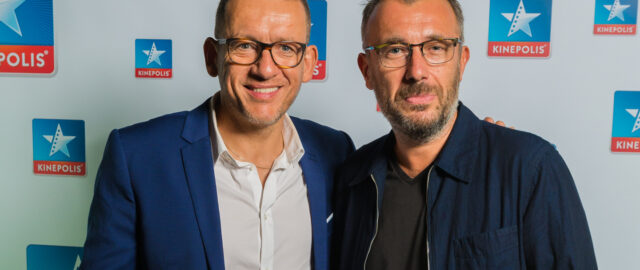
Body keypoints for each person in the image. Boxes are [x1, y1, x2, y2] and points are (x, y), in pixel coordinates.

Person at [80, 0, 354, 269]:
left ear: (307, 64)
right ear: (213, 57)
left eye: (286, 48)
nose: (265, 69)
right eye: (244, 45)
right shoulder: (136, 158)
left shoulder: (336, 151)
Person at [331, 0, 597, 269]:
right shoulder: (352, 179)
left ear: (461, 62)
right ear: (367, 71)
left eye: (435, 48)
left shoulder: (530, 169)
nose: (416, 72)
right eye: (395, 51)